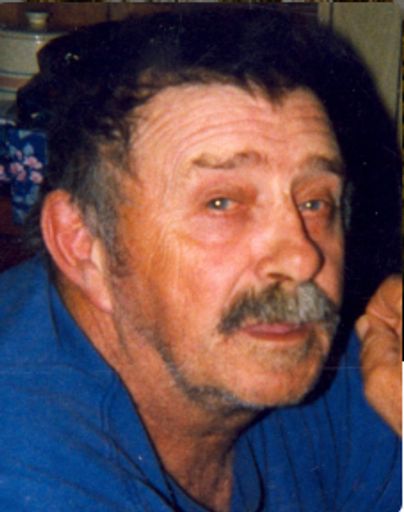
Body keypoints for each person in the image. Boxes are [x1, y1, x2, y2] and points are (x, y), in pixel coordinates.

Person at [0, 6, 401, 511]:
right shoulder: (26, 475)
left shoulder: (340, 363)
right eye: (222, 203)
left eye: (315, 203)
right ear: (83, 244)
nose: (302, 259)